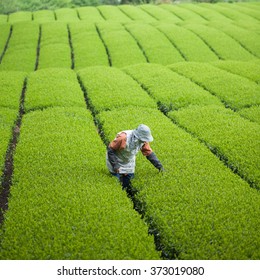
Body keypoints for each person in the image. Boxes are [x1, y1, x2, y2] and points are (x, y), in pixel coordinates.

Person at [106, 124, 164, 192]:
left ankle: (128, 193)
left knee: (129, 180)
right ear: (138, 136)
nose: (145, 141)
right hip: (116, 159)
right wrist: (115, 165)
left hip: (129, 161)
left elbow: (149, 153)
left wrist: (160, 166)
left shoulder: (143, 141)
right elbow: (110, 150)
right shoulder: (123, 138)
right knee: (116, 181)